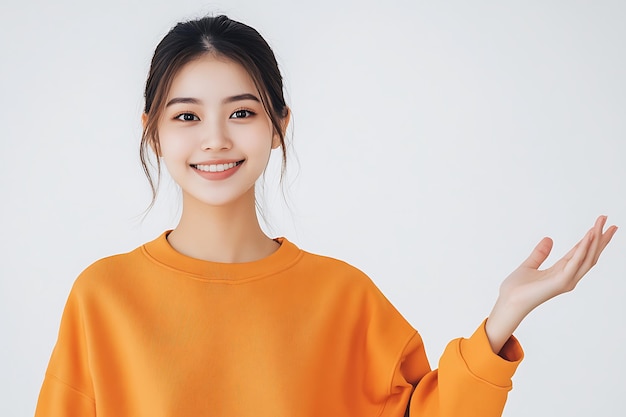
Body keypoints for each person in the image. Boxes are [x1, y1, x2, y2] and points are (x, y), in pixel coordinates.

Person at [34, 15, 617, 417]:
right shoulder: (102, 298)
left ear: (279, 125)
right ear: (153, 133)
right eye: (186, 117)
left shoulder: (343, 297)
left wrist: (502, 318)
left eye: (242, 112)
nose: (214, 139)